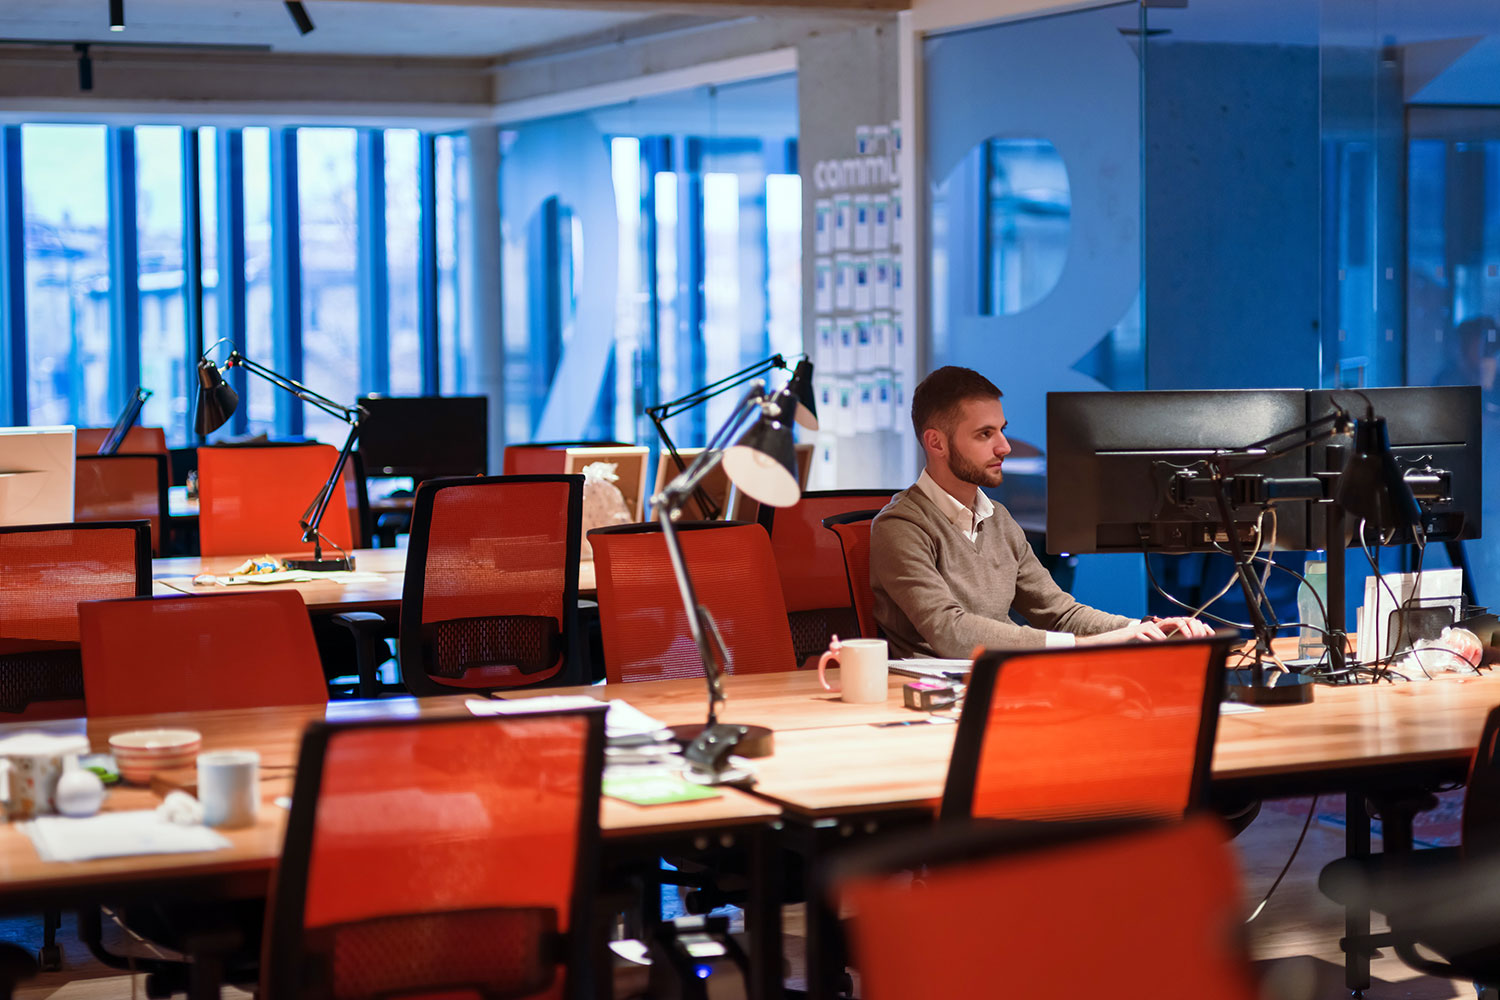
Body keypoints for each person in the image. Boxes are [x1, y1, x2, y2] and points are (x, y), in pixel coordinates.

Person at [870, 366, 1212, 658]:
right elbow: (950, 631)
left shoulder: (998, 519)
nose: (1004, 447)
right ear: (936, 443)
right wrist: (1082, 645)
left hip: (1001, 681)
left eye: (1001, 430)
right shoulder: (900, 526)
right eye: (984, 434)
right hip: (930, 693)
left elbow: (1058, 612)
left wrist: (1141, 628)